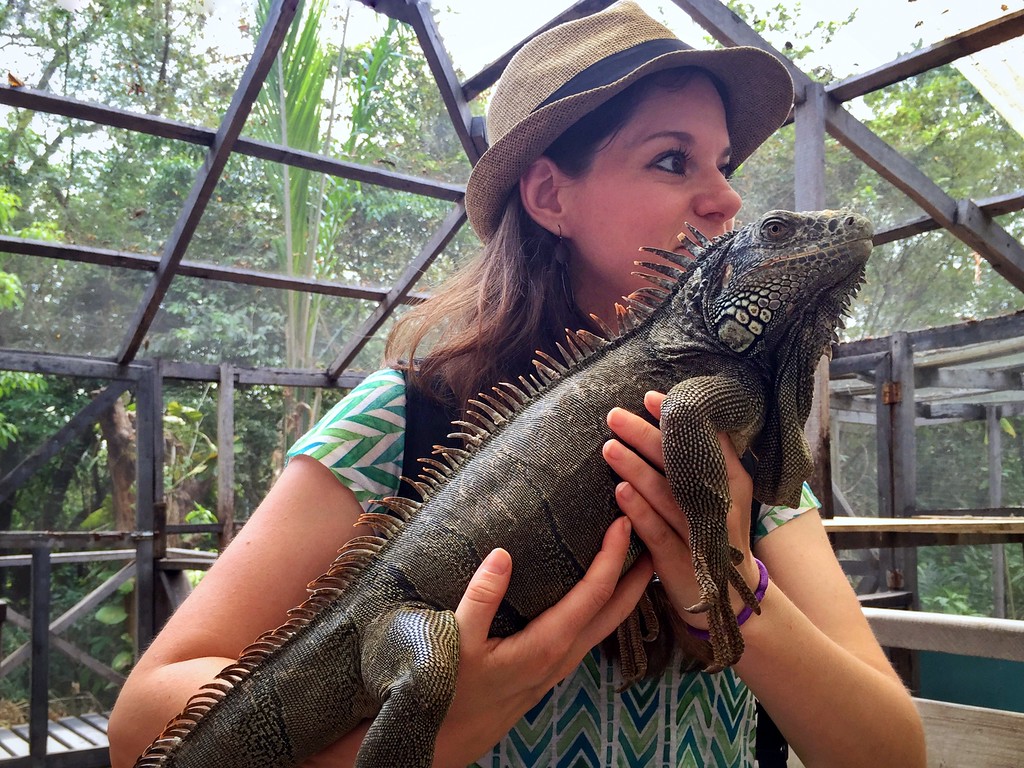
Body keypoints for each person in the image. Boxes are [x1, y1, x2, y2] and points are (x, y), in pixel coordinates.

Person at [109, 2, 926, 766]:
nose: (725, 197)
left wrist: (735, 586)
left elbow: (894, 752)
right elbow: (141, 722)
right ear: (549, 195)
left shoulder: (738, 447)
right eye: (672, 159)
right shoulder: (401, 418)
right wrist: (451, 725)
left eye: (722, 162)